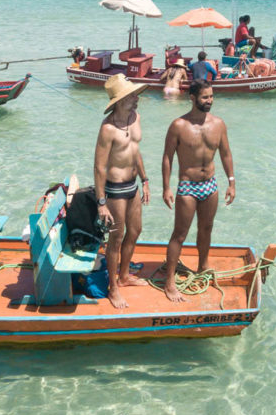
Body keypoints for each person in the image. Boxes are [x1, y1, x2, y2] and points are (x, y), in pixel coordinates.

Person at [161, 80, 235, 302]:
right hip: (188, 186)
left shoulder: (219, 124)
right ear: (192, 98)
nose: (209, 101)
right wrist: (166, 187)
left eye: (211, 96)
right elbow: (167, 157)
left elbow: (226, 153)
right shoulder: (179, 125)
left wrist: (231, 182)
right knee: (180, 234)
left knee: (207, 228)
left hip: (210, 184)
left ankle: (203, 266)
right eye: (205, 97)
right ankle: (169, 282)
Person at [94, 73, 150, 309]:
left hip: (133, 185)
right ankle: (113, 288)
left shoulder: (136, 117)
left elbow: (135, 151)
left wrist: (145, 180)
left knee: (135, 230)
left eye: (135, 94)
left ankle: (125, 276)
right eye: (131, 96)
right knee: (116, 238)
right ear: (118, 101)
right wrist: (101, 202)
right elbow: (99, 166)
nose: (136, 99)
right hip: (115, 189)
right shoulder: (107, 129)